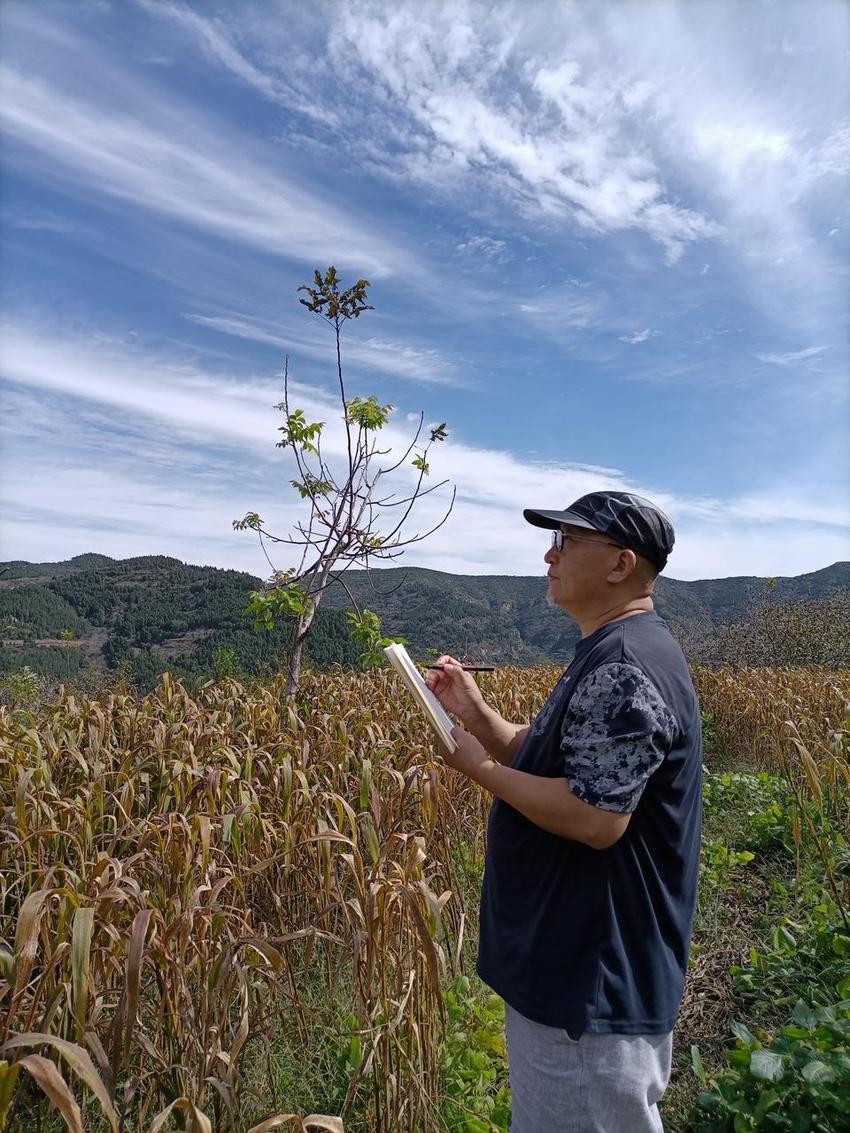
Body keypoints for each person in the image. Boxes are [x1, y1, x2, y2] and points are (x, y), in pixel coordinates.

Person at [425, 490, 702, 1133]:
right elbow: (570, 763)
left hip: (588, 982)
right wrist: (482, 718)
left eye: (567, 542)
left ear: (619, 565)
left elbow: (594, 816)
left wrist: (478, 768)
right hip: (577, 971)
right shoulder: (613, 649)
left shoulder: (625, 665)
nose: (548, 556)